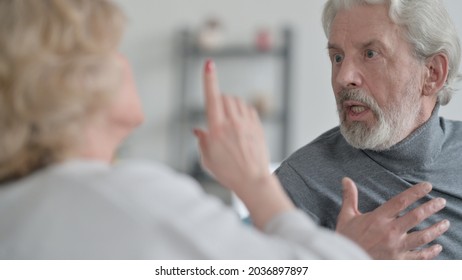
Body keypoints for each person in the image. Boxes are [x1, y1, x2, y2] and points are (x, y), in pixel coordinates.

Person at [0, 0, 374, 260]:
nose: (124, 60)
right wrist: (256, 183)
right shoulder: (127, 199)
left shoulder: (17, 206)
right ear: (71, 81)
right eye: (111, 49)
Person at [275, 0, 462, 259]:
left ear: (432, 73)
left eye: (370, 54)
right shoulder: (298, 183)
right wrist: (343, 262)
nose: (343, 77)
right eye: (337, 57)